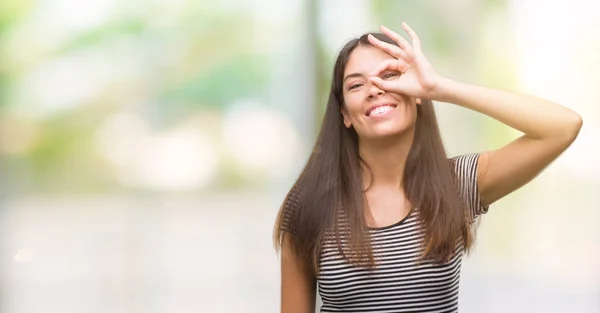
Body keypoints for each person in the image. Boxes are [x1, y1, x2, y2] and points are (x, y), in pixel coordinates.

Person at [273, 22, 582, 313]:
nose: (374, 88)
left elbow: (562, 127)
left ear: (417, 94)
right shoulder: (308, 206)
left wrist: (439, 87)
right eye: (356, 85)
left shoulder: (458, 184)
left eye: (389, 76)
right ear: (345, 114)